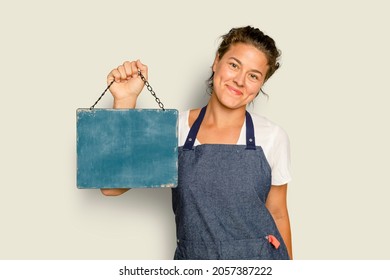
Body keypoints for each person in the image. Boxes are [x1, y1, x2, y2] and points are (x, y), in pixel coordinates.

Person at [101, 26, 293, 260]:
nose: (240, 81)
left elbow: (278, 213)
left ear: (260, 84)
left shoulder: (272, 136)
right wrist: (125, 100)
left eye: (253, 75)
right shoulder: (175, 128)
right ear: (217, 61)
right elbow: (111, 187)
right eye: (234, 65)